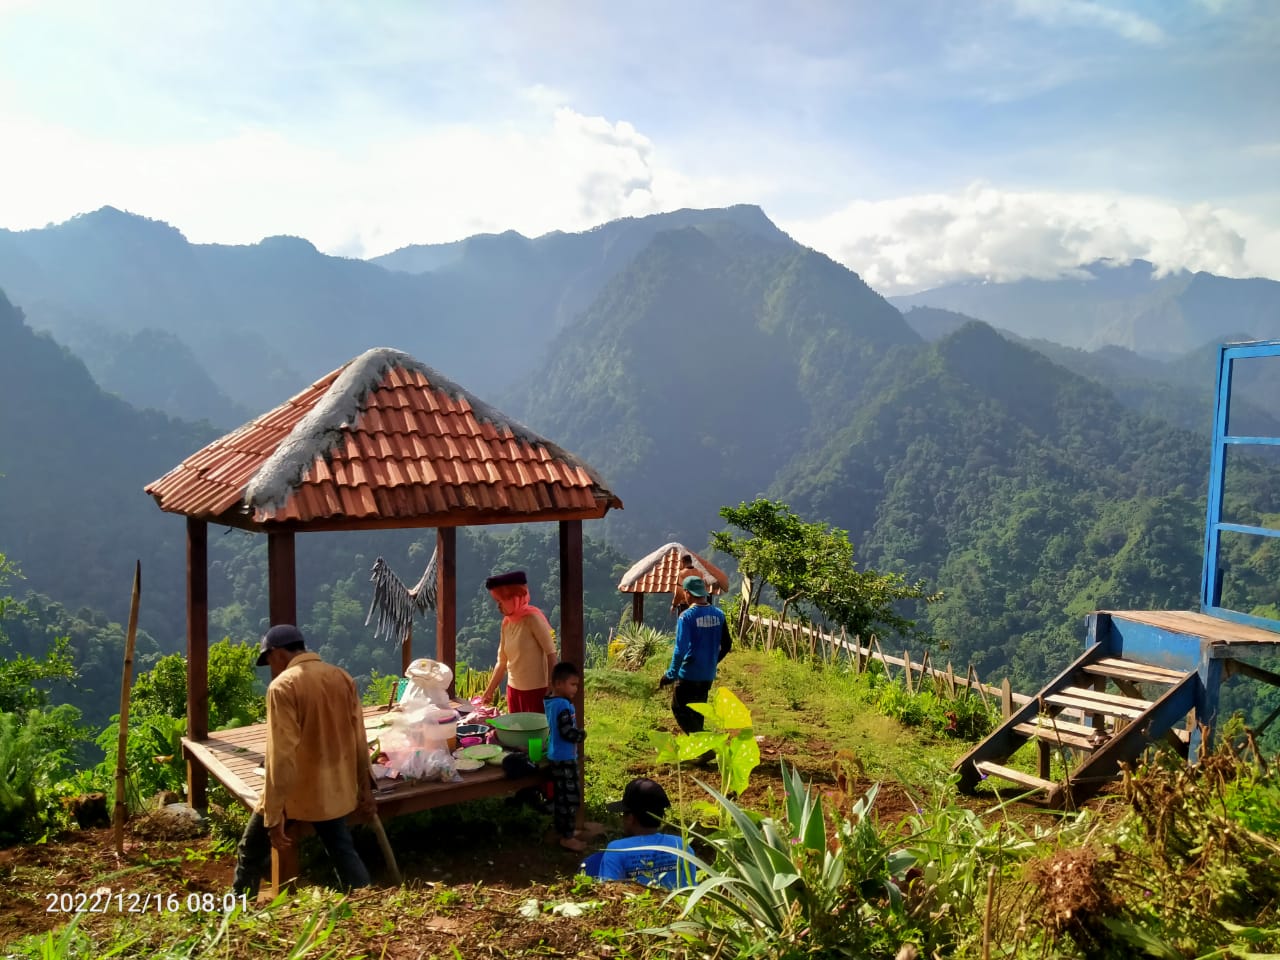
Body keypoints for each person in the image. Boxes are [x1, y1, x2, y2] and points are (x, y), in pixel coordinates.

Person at [233, 624, 374, 896]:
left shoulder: (283, 686)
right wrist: (365, 788)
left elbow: (281, 755)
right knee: (342, 851)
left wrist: (274, 813)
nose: (272, 668)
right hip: (334, 791)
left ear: (277, 653)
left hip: (296, 792)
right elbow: (359, 738)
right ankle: (368, 901)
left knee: (249, 852)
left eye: (270, 660)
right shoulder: (341, 677)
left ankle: (237, 909)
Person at [659, 576, 732, 734]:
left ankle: (703, 743)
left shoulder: (686, 617)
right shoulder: (719, 614)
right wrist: (712, 662)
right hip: (707, 675)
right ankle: (701, 745)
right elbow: (727, 644)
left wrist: (670, 674)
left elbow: (680, 650)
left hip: (689, 674)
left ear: (687, 593)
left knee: (679, 708)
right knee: (698, 712)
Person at [592, 778, 693, 889]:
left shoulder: (616, 850)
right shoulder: (682, 846)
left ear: (630, 818)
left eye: (623, 815)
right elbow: (692, 887)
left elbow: (609, 891)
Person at [480, 570, 558, 715]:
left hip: (537, 692)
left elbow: (551, 653)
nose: (498, 606)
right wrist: (489, 691)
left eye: (501, 601)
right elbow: (501, 662)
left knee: (535, 729)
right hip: (514, 691)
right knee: (517, 727)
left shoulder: (532, 619)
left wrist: (551, 685)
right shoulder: (506, 623)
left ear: (514, 598)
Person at [543, 661, 589, 852]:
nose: (575, 689)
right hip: (565, 758)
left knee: (561, 796)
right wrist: (581, 735)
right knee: (570, 798)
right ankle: (567, 838)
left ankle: (563, 830)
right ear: (559, 684)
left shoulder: (551, 702)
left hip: (555, 754)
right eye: (572, 684)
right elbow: (566, 732)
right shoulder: (563, 705)